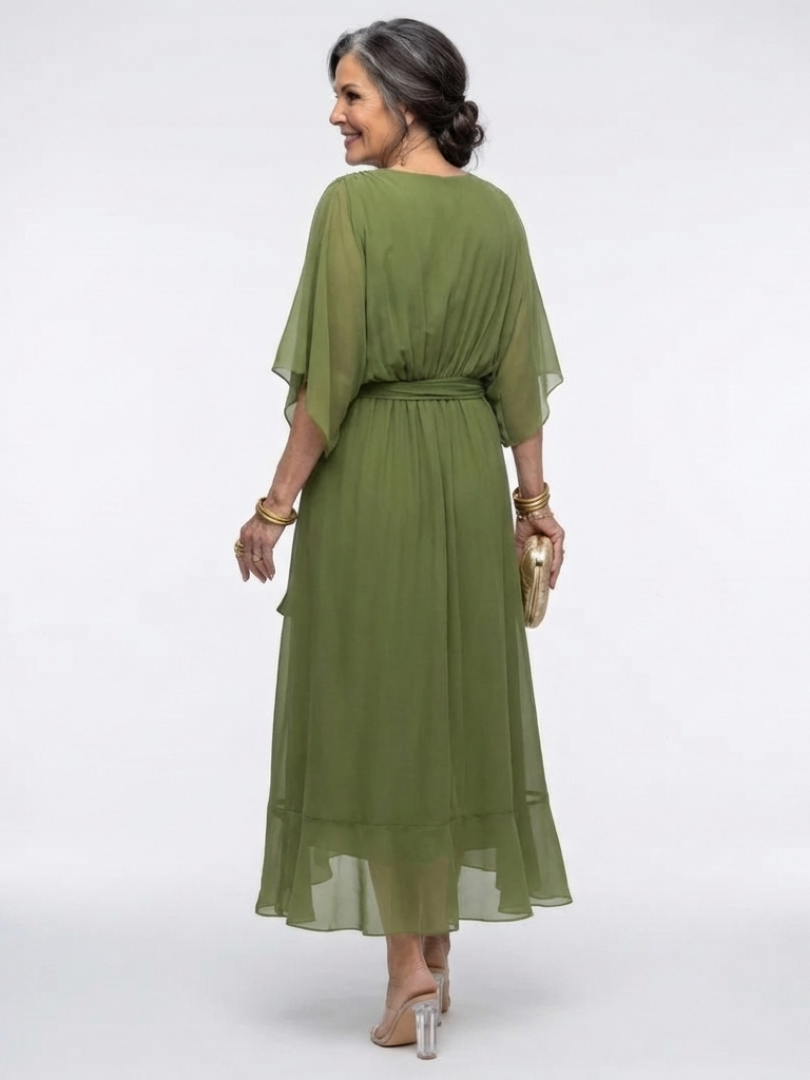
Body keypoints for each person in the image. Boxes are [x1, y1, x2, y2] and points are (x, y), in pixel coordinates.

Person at [234, 18, 572, 1059]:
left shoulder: (353, 207)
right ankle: (435, 952)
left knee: (381, 710)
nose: (335, 116)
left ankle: (408, 976)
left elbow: (329, 383)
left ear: (408, 103)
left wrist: (275, 506)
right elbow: (518, 379)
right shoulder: (496, 215)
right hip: (464, 480)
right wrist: (532, 504)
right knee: (448, 702)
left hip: (374, 476)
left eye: (352, 96)